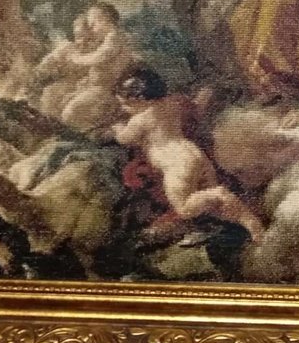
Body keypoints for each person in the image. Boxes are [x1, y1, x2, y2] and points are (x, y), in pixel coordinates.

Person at [112, 67, 264, 240]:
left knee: (184, 208)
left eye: (124, 104)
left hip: (176, 165)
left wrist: (117, 128)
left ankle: (220, 194)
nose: (123, 109)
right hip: (195, 155)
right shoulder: (172, 103)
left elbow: (124, 139)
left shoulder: (141, 119)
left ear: (138, 98)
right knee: (211, 205)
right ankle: (248, 222)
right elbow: (193, 109)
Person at [57, 4, 138, 132]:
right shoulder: (109, 38)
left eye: (93, 25)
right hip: (96, 87)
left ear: (103, 20)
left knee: (69, 115)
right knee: (64, 103)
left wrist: (75, 57)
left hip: (106, 89)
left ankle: (99, 133)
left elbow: (99, 57)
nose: (92, 30)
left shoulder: (115, 37)